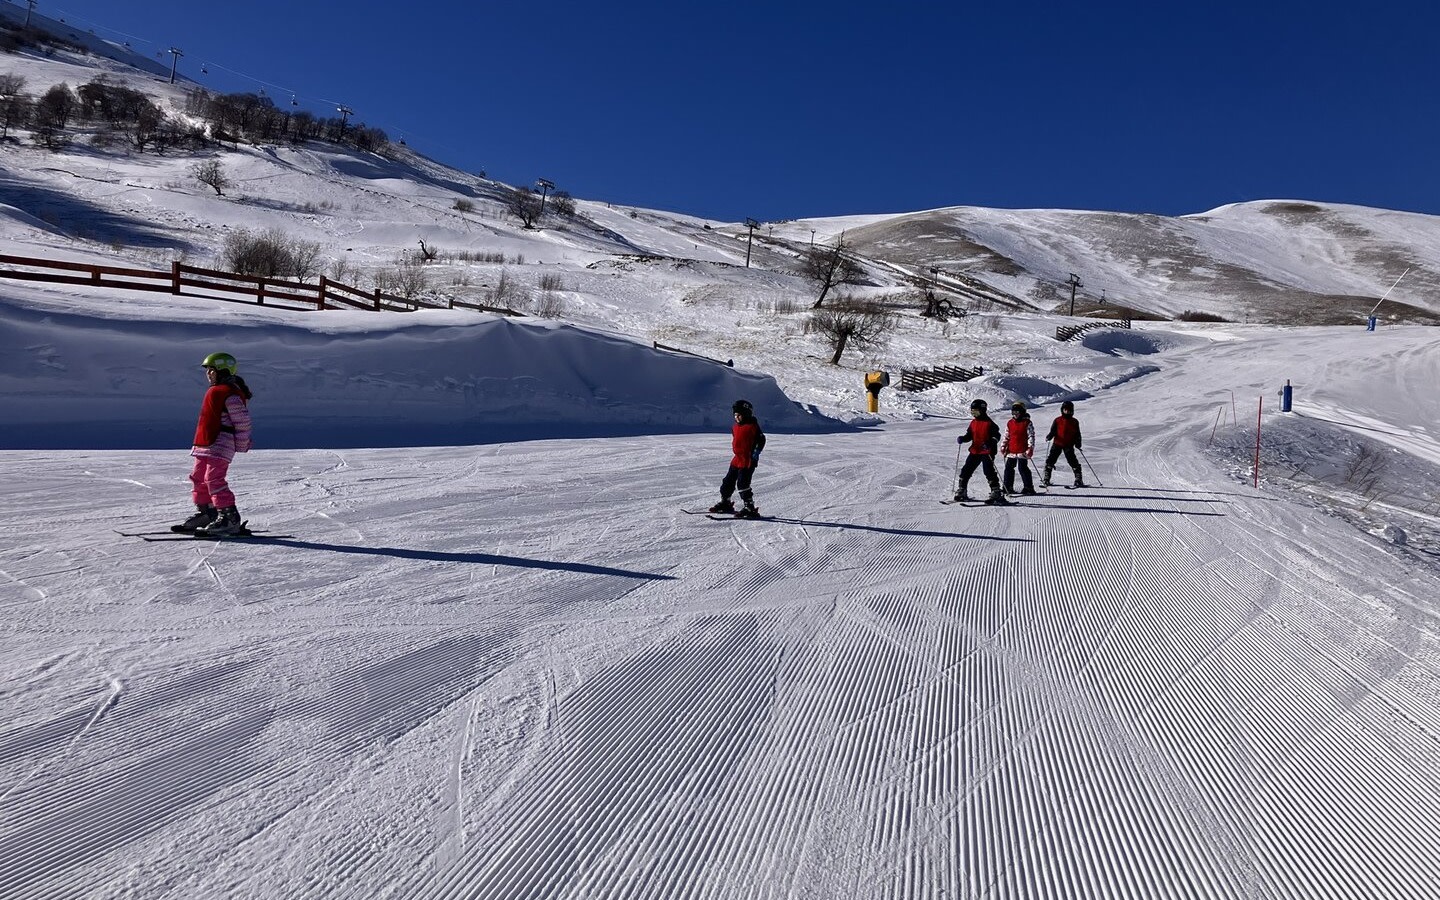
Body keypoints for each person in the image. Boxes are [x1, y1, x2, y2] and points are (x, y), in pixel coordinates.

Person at [175, 352, 253, 535]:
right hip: (204, 444)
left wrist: (241, 444)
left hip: (220, 444)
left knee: (214, 479)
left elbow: (242, 422)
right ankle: (209, 513)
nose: (208, 374)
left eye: (212, 370)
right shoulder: (216, 391)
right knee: (198, 477)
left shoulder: (230, 394)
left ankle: (228, 518)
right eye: (208, 371)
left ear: (224, 371)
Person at [709, 399, 766, 518]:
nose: (736, 417)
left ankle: (749, 507)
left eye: (739, 415)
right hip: (737, 459)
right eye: (735, 415)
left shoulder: (752, 426)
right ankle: (726, 502)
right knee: (727, 482)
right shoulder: (735, 427)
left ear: (746, 414)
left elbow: (761, 440)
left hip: (747, 460)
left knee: (743, 483)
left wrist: (755, 453)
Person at [955, 398, 1005, 504]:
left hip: (987, 451)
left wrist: (990, 443)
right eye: (972, 411)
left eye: (976, 411)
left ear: (982, 410)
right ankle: (962, 490)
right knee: (966, 470)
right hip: (975, 450)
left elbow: (997, 436)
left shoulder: (989, 423)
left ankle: (996, 491)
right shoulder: (973, 423)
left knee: (988, 470)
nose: (974, 414)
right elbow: (969, 435)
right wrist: (963, 438)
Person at [1043, 400, 1084, 488]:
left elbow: (1077, 434)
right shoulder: (1057, 420)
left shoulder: (1074, 421)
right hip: (1057, 443)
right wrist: (1049, 436)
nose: (1067, 411)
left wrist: (1078, 443)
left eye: (1069, 410)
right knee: (1051, 460)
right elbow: (1053, 431)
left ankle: (1078, 478)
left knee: (1072, 461)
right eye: (1065, 410)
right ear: (1062, 410)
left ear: (1072, 411)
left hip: (1069, 444)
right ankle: (1046, 477)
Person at [1002, 400, 1037, 495]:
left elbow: (1031, 436)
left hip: (1023, 450)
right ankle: (1007, 487)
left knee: (1023, 468)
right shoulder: (1010, 423)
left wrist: (1030, 448)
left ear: (1022, 412)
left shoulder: (1027, 423)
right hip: (1011, 450)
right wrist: (1004, 446)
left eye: (1017, 412)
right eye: (1013, 412)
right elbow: (1006, 436)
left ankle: (1028, 487)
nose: (1015, 414)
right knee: (1008, 468)